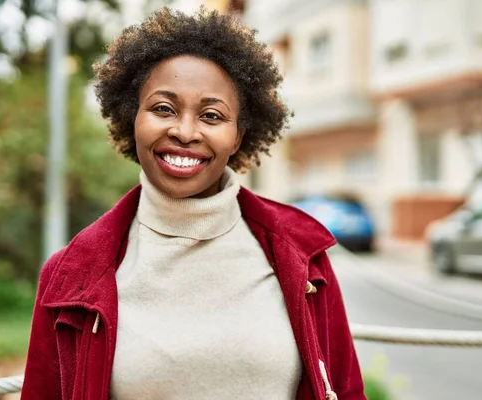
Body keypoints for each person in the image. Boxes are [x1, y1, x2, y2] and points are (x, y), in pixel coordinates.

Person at [21, 7, 365, 400]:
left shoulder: (303, 257)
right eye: (163, 108)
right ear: (132, 118)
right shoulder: (70, 274)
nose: (185, 131)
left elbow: (346, 390)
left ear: (238, 136)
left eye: (212, 115)